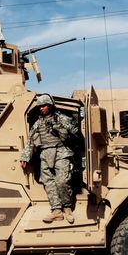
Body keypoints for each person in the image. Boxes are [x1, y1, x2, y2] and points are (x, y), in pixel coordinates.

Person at [20, 94, 77, 224]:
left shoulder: (61, 118)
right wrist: (25, 156)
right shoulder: (38, 122)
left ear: (50, 106)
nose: (41, 109)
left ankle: (67, 208)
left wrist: (60, 127)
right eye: (40, 106)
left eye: (44, 106)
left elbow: (75, 131)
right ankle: (56, 210)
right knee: (49, 183)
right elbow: (30, 140)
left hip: (61, 152)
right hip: (45, 154)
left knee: (62, 181)